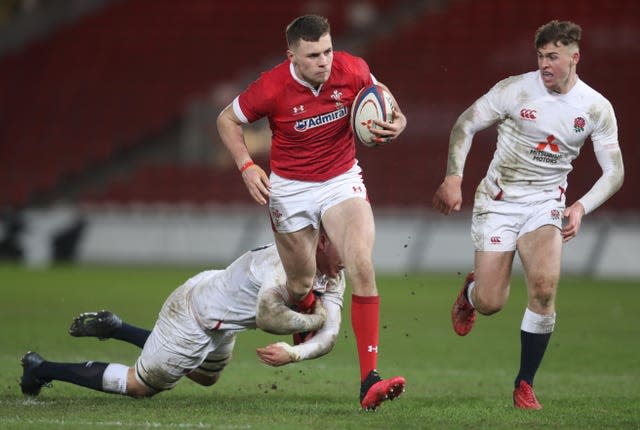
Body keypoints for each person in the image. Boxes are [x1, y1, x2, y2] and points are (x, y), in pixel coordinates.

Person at [216, 14, 407, 410]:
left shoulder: (352, 69)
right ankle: (305, 318)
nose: (324, 61)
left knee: (361, 265)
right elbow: (226, 120)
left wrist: (398, 123)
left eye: (328, 51)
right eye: (313, 55)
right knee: (301, 284)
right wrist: (247, 166)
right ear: (292, 56)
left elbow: (386, 101)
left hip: (341, 180)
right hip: (291, 188)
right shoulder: (271, 86)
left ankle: (369, 379)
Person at [432, 20, 624, 410]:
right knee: (491, 302)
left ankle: (524, 383)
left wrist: (580, 206)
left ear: (575, 57)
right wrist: (454, 177)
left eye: (552, 56)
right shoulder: (514, 89)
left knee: (543, 287)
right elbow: (465, 124)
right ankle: (471, 293)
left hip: (545, 204)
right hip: (499, 201)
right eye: (540, 56)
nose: (544, 64)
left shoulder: (595, 107)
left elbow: (615, 171)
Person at [19, 230, 368, 401]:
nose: (348, 257)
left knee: (206, 377)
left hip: (219, 310)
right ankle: (41, 367)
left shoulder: (332, 273)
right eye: (342, 248)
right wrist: (312, 321)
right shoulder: (282, 264)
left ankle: (117, 328)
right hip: (196, 315)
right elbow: (267, 317)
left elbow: (331, 334)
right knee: (141, 386)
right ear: (321, 242)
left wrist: (294, 352)